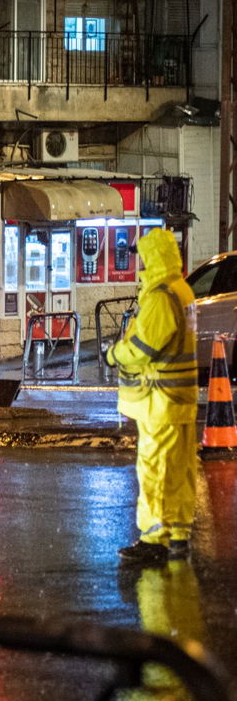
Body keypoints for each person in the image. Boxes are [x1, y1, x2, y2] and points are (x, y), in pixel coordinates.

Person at [105, 228, 199, 566]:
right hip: (179, 397)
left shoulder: (160, 295)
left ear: (154, 257)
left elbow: (144, 347)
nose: (139, 262)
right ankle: (177, 532)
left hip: (159, 400)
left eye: (143, 256)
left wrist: (114, 354)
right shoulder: (182, 289)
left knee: (155, 469)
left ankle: (153, 538)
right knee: (179, 469)